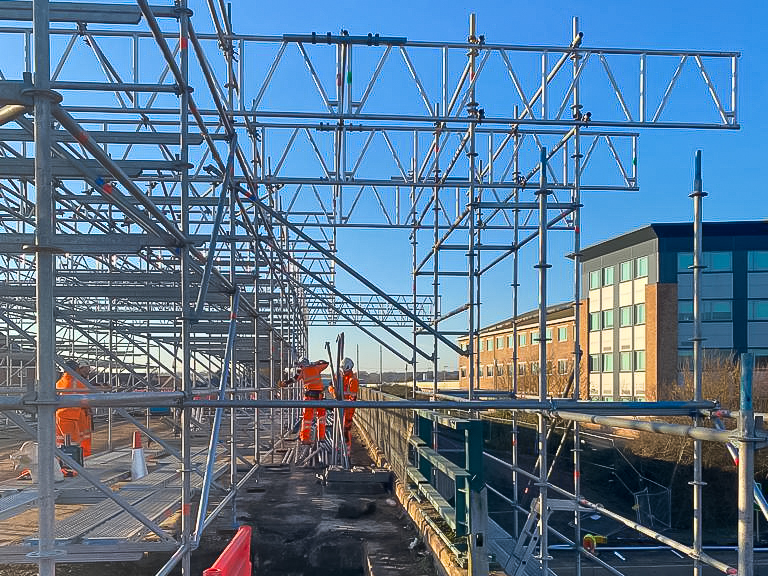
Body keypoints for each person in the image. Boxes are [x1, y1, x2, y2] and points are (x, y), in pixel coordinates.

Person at [279, 357, 329, 445]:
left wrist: (285, 383)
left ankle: (305, 439)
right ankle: (321, 437)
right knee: (321, 417)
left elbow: (294, 379)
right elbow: (325, 363)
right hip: (319, 396)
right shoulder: (316, 367)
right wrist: (316, 362)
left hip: (309, 396)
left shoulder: (302, 370)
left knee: (307, 419)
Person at [55, 359, 93, 459]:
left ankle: (63, 463)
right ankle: (72, 465)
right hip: (70, 416)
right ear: (76, 369)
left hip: (60, 415)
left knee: (61, 442)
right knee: (73, 443)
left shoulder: (60, 381)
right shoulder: (76, 381)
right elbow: (90, 393)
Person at [330, 357, 359, 455]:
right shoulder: (340, 376)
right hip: (340, 405)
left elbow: (353, 398)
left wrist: (347, 409)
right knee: (338, 427)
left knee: (346, 429)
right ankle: (340, 447)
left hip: (348, 408)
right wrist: (334, 392)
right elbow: (331, 384)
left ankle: (346, 451)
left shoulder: (352, 380)